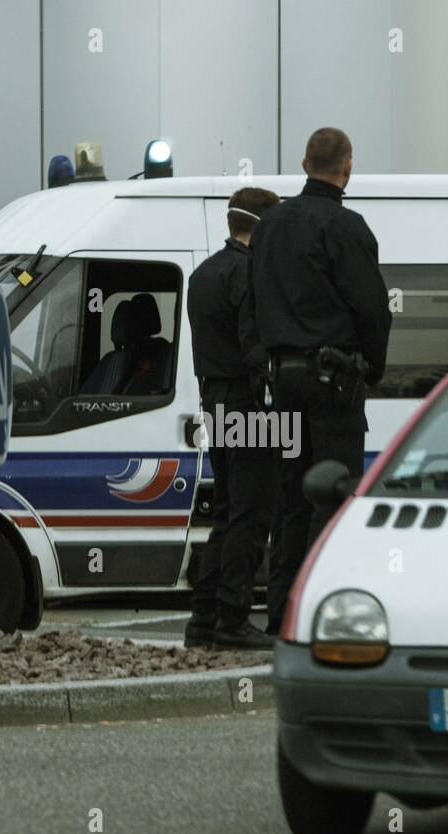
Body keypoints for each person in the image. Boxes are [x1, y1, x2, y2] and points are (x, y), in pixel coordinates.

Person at [243, 127, 391, 634]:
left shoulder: (268, 227)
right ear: (347, 168)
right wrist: (373, 366)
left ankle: (281, 614)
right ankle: (321, 613)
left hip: (283, 381)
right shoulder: (348, 229)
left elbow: (255, 302)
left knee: (289, 497)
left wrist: (271, 357)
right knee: (331, 497)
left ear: (305, 164)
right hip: (335, 383)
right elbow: (372, 309)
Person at [184, 187, 281, 650]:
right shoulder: (250, 275)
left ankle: (203, 615)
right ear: (261, 228)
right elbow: (254, 346)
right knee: (253, 511)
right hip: (249, 401)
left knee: (225, 510)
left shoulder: (202, 275)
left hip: (214, 402)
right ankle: (234, 617)